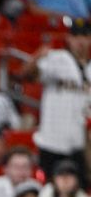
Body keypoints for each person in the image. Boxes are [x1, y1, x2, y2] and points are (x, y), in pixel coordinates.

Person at [23, 17, 91, 180]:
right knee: (49, 192)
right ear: (69, 38)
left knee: (79, 194)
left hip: (80, 144)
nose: (80, 41)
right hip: (52, 140)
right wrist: (37, 57)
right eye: (75, 36)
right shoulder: (57, 58)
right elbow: (27, 75)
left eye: (84, 36)